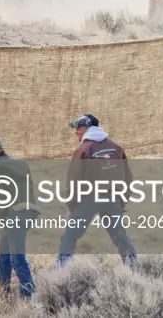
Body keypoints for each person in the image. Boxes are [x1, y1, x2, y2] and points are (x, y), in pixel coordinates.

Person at [57, 114, 137, 268]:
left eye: (78, 128)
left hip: (88, 199)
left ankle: (62, 270)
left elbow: (73, 180)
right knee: (120, 238)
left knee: (69, 237)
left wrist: (73, 206)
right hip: (111, 198)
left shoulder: (83, 150)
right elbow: (129, 179)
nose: (75, 132)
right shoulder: (117, 149)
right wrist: (120, 202)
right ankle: (134, 268)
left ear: (86, 128)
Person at [0, 137, 35, 300]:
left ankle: (29, 295)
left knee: (16, 255)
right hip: (30, 211)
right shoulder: (21, 163)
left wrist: (3, 220)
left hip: (14, 214)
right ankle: (3, 290)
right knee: (4, 251)